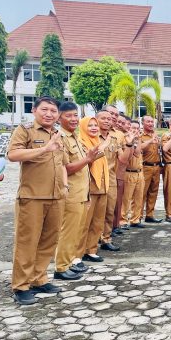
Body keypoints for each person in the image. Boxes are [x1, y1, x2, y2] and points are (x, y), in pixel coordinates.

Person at [7, 97, 68, 305]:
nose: (49, 114)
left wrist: (65, 187)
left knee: (49, 241)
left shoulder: (58, 134)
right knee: (27, 242)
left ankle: (39, 278)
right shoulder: (25, 130)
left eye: (53, 110)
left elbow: (62, 163)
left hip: (56, 196)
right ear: (34, 110)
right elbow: (13, 155)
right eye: (44, 109)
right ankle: (21, 285)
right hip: (32, 196)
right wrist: (43, 149)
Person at [54, 102, 98, 280]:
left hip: (81, 192)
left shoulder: (74, 137)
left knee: (76, 231)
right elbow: (66, 168)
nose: (73, 119)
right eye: (68, 116)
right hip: (71, 193)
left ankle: (70, 261)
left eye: (75, 115)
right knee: (68, 231)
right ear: (59, 118)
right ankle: (61, 267)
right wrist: (88, 159)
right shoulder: (60, 138)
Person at [79, 116, 111, 263]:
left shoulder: (97, 141)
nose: (93, 128)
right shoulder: (81, 142)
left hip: (102, 187)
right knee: (84, 223)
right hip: (90, 188)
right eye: (90, 125)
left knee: (97, 222)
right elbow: (87, 160)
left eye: (95, 125)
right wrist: (103, 148)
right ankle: (78, 254)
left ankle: (91, 250)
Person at [101, 105, 124, 246]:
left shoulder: (117, 136)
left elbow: (123, 159)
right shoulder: (92, 132)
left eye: (115, 115)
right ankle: (91, 242)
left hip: (110, 177)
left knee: (110, 209)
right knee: (96, 212)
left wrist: (129, 145)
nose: (112, 118)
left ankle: (106, 238)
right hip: (95, 178)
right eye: (109, 115)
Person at [121, 121, 145, 228]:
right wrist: (135, 139)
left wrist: (138, 139)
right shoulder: (125, 139)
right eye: (133, 128)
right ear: (128, 128)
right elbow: (136, 152)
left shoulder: (138, 139)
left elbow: (139, 152)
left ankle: (135, 219)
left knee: (138, 198)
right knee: (126, 198)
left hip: (139, 172)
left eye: (137, 128)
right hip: (129, 172)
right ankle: (123, 220)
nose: (135, 130)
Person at [140, 115, 162, 223]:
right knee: (142, 193)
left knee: (153, 192)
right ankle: (137, 216)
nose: (150, 124)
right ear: (142, 123)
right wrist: (150, 141)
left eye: (152, 122)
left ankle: (150, 215)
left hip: (156, 167)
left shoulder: (155, 134)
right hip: (145, 167)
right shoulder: (140, 135)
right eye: (148, 121)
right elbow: (139, 148)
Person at [112, 114, 132, 235]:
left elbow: (126, 157)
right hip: (106, 173)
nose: (120, 124)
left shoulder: (120, 135)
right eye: (118, 121)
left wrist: (131, 142)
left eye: (122, 123)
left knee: (117, 202)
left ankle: (115, 225)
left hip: (119, 171)